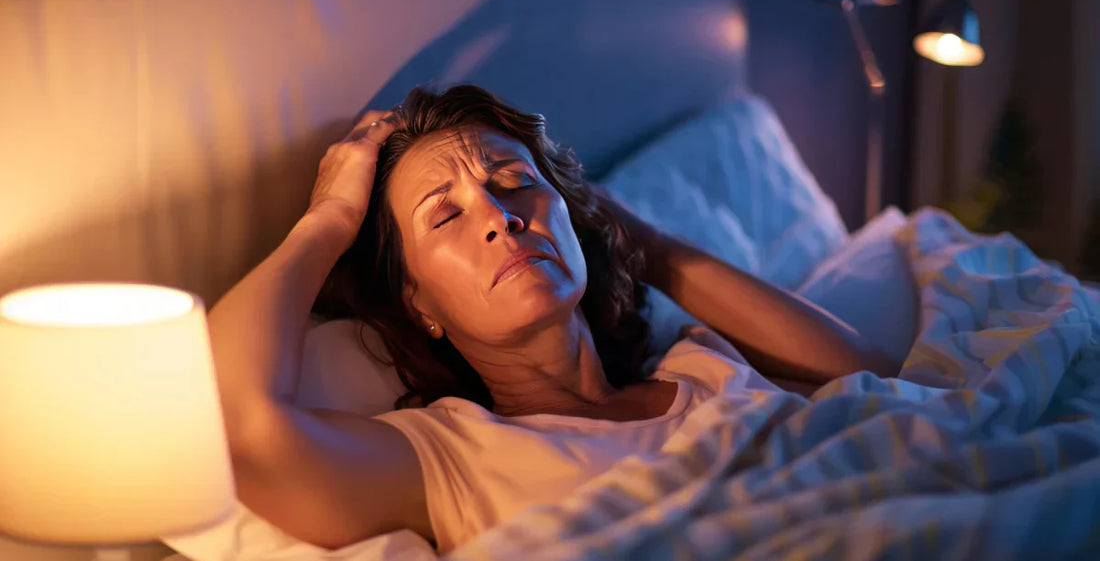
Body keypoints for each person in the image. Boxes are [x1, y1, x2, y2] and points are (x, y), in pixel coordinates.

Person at [206, 85, 894, 553]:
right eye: (445, 214)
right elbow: (235, 428)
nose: (501, 218)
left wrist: (628, 238)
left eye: (513, 183)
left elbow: (875, 386)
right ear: (420, 304)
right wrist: (329, 219)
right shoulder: (453, 458)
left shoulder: (702, 360)